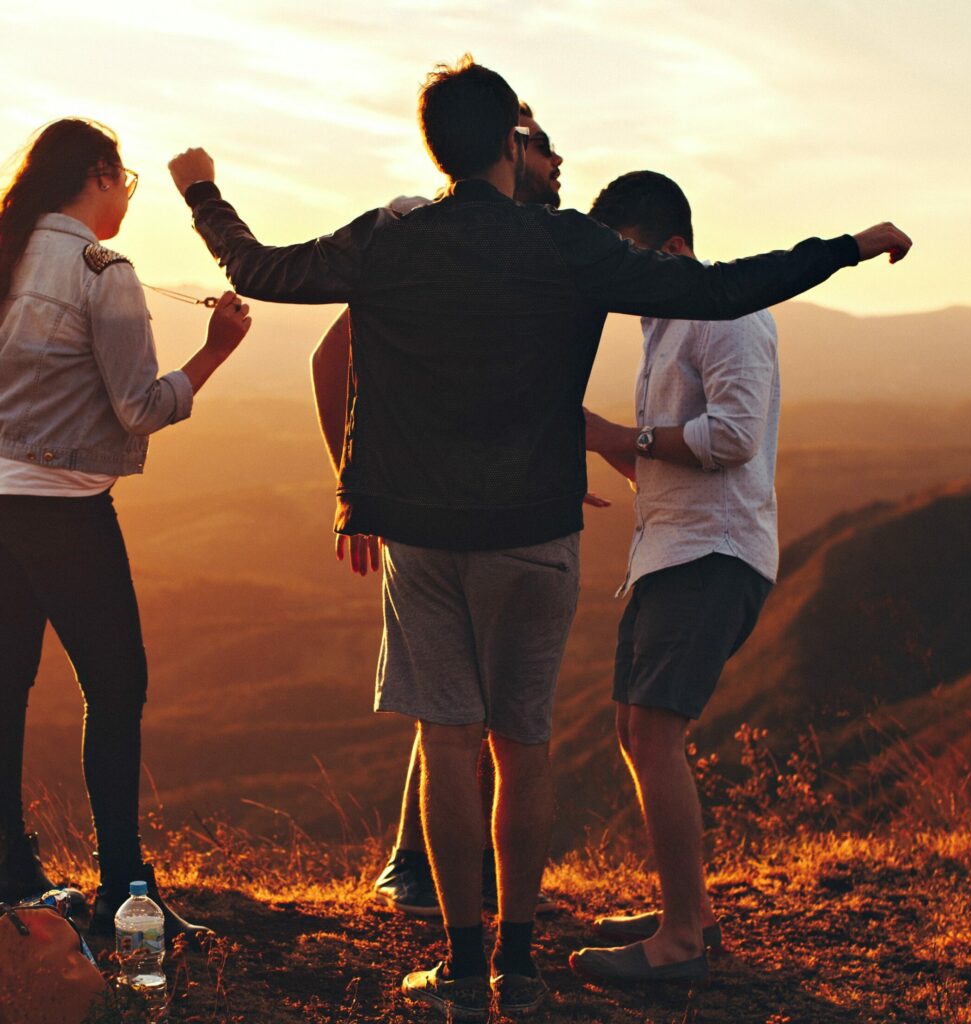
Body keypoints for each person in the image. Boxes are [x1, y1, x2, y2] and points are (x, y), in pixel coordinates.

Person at [167, 54, 909, 1020]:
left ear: (439, 145)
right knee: (525, 747)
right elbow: (724, 288)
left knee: (448, 742)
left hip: (425, 535)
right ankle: (519, 963)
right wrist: (845, 247)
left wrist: (201, 194)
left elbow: (263, 270)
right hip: (537, 531)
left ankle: (464, 969)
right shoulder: (564, 247)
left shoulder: (390, 241)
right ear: (512, 148)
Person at [311, 100, 566, 921]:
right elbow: (331, 355)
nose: (561, 165)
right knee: (457, 709)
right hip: (434, 510)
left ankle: (448, 888)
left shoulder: (518, 251)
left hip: (485, 503)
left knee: (465, 707)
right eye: (544, 146)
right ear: (506, 149)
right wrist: (357, 487)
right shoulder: (420, 232)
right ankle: (423, 872)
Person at [0, 118, 251, 945]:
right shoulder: (100, 271)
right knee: (116, 689)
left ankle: (10, 874)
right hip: (66, 510)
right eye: (126, 184)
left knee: (7, 688)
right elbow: (140, 407)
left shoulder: (7, 253)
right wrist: (215, 351)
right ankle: (124, 893)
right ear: (101, 175)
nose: (125, 202)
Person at [567, 170, 789, 985]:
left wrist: (622, 432)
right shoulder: (664, 324)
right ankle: (685, 911)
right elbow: (667, 456)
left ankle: (680, 945)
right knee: (635, 730)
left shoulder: (724, 314)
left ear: (671, 247)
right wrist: (598, 443)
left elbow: (730, 437)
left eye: (623, 256)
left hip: (714, 554)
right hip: (670, 550)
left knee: (655, 734)